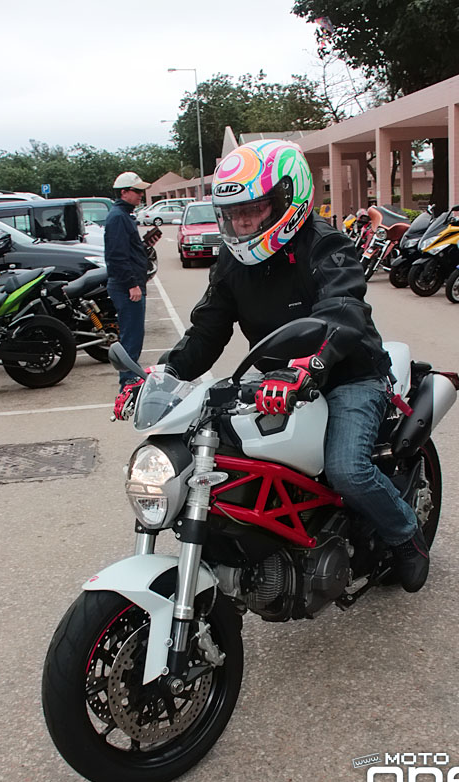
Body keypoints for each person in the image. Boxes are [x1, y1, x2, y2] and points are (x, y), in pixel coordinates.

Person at [114, 140, 429, 593]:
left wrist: (307, 366)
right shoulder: (231, 262)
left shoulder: (325, 243)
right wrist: (159, 379)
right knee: (223, 453)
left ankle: (405, 538)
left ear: (288, 197)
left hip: (346, 375)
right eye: (233, 213)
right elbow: (206, 332)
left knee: (347, 470)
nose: (240, 223)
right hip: (278, 380)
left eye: (253, 209)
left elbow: (344, 310)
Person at [104, 171, 151, 389]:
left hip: (130, 284)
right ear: (124, 192)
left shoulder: (124, 216)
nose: (141, 195)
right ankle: (128, 382)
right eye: (137, 191)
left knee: (134, 335)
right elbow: (116, 256)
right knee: (131, 336)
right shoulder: (118, 218)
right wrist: (132, 284)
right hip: (126, 287)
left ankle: (130, 378)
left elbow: (127, 251)